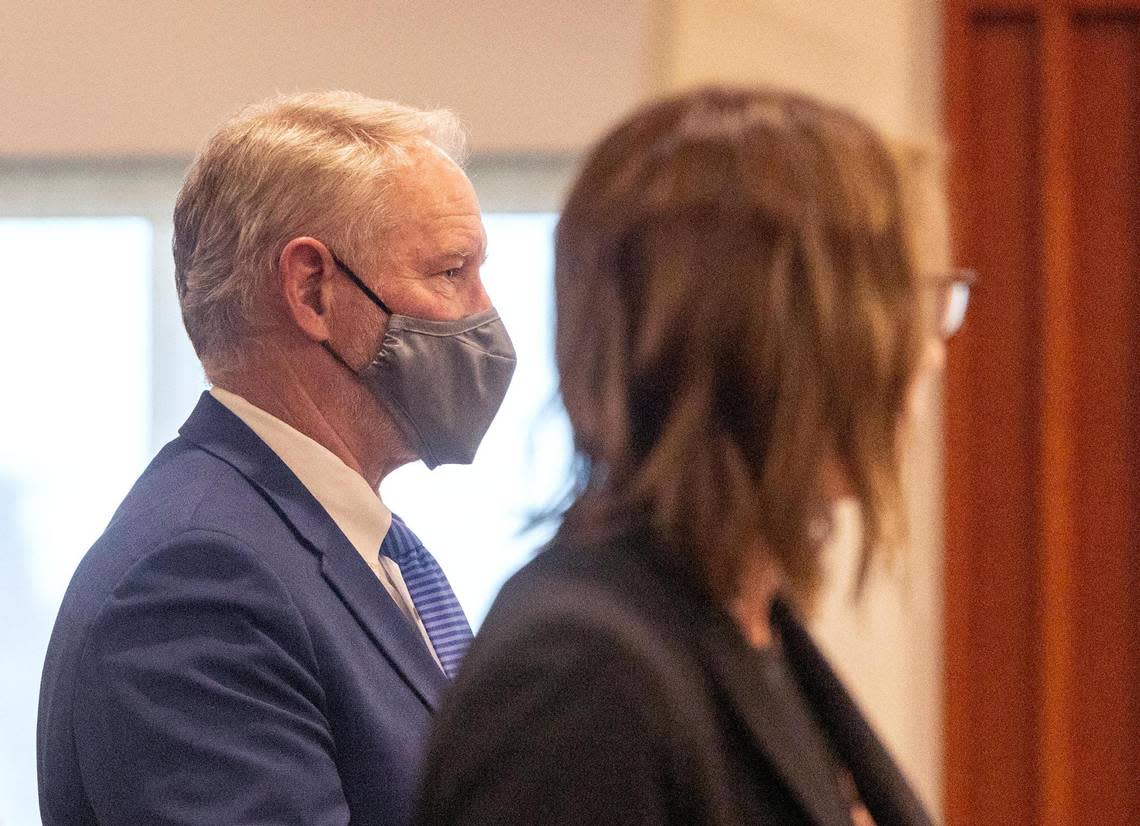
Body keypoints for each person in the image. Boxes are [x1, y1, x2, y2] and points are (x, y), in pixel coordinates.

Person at [416, 87, 967, 826]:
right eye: (901, 304)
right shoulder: (580, 678)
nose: (930, 352)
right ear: (775, 342)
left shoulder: (741, 617)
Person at [37, 90, 515, 826]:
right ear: (312, 289)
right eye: (452, 272)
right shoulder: (195, 579)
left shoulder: (346, 548)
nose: (484, 313)